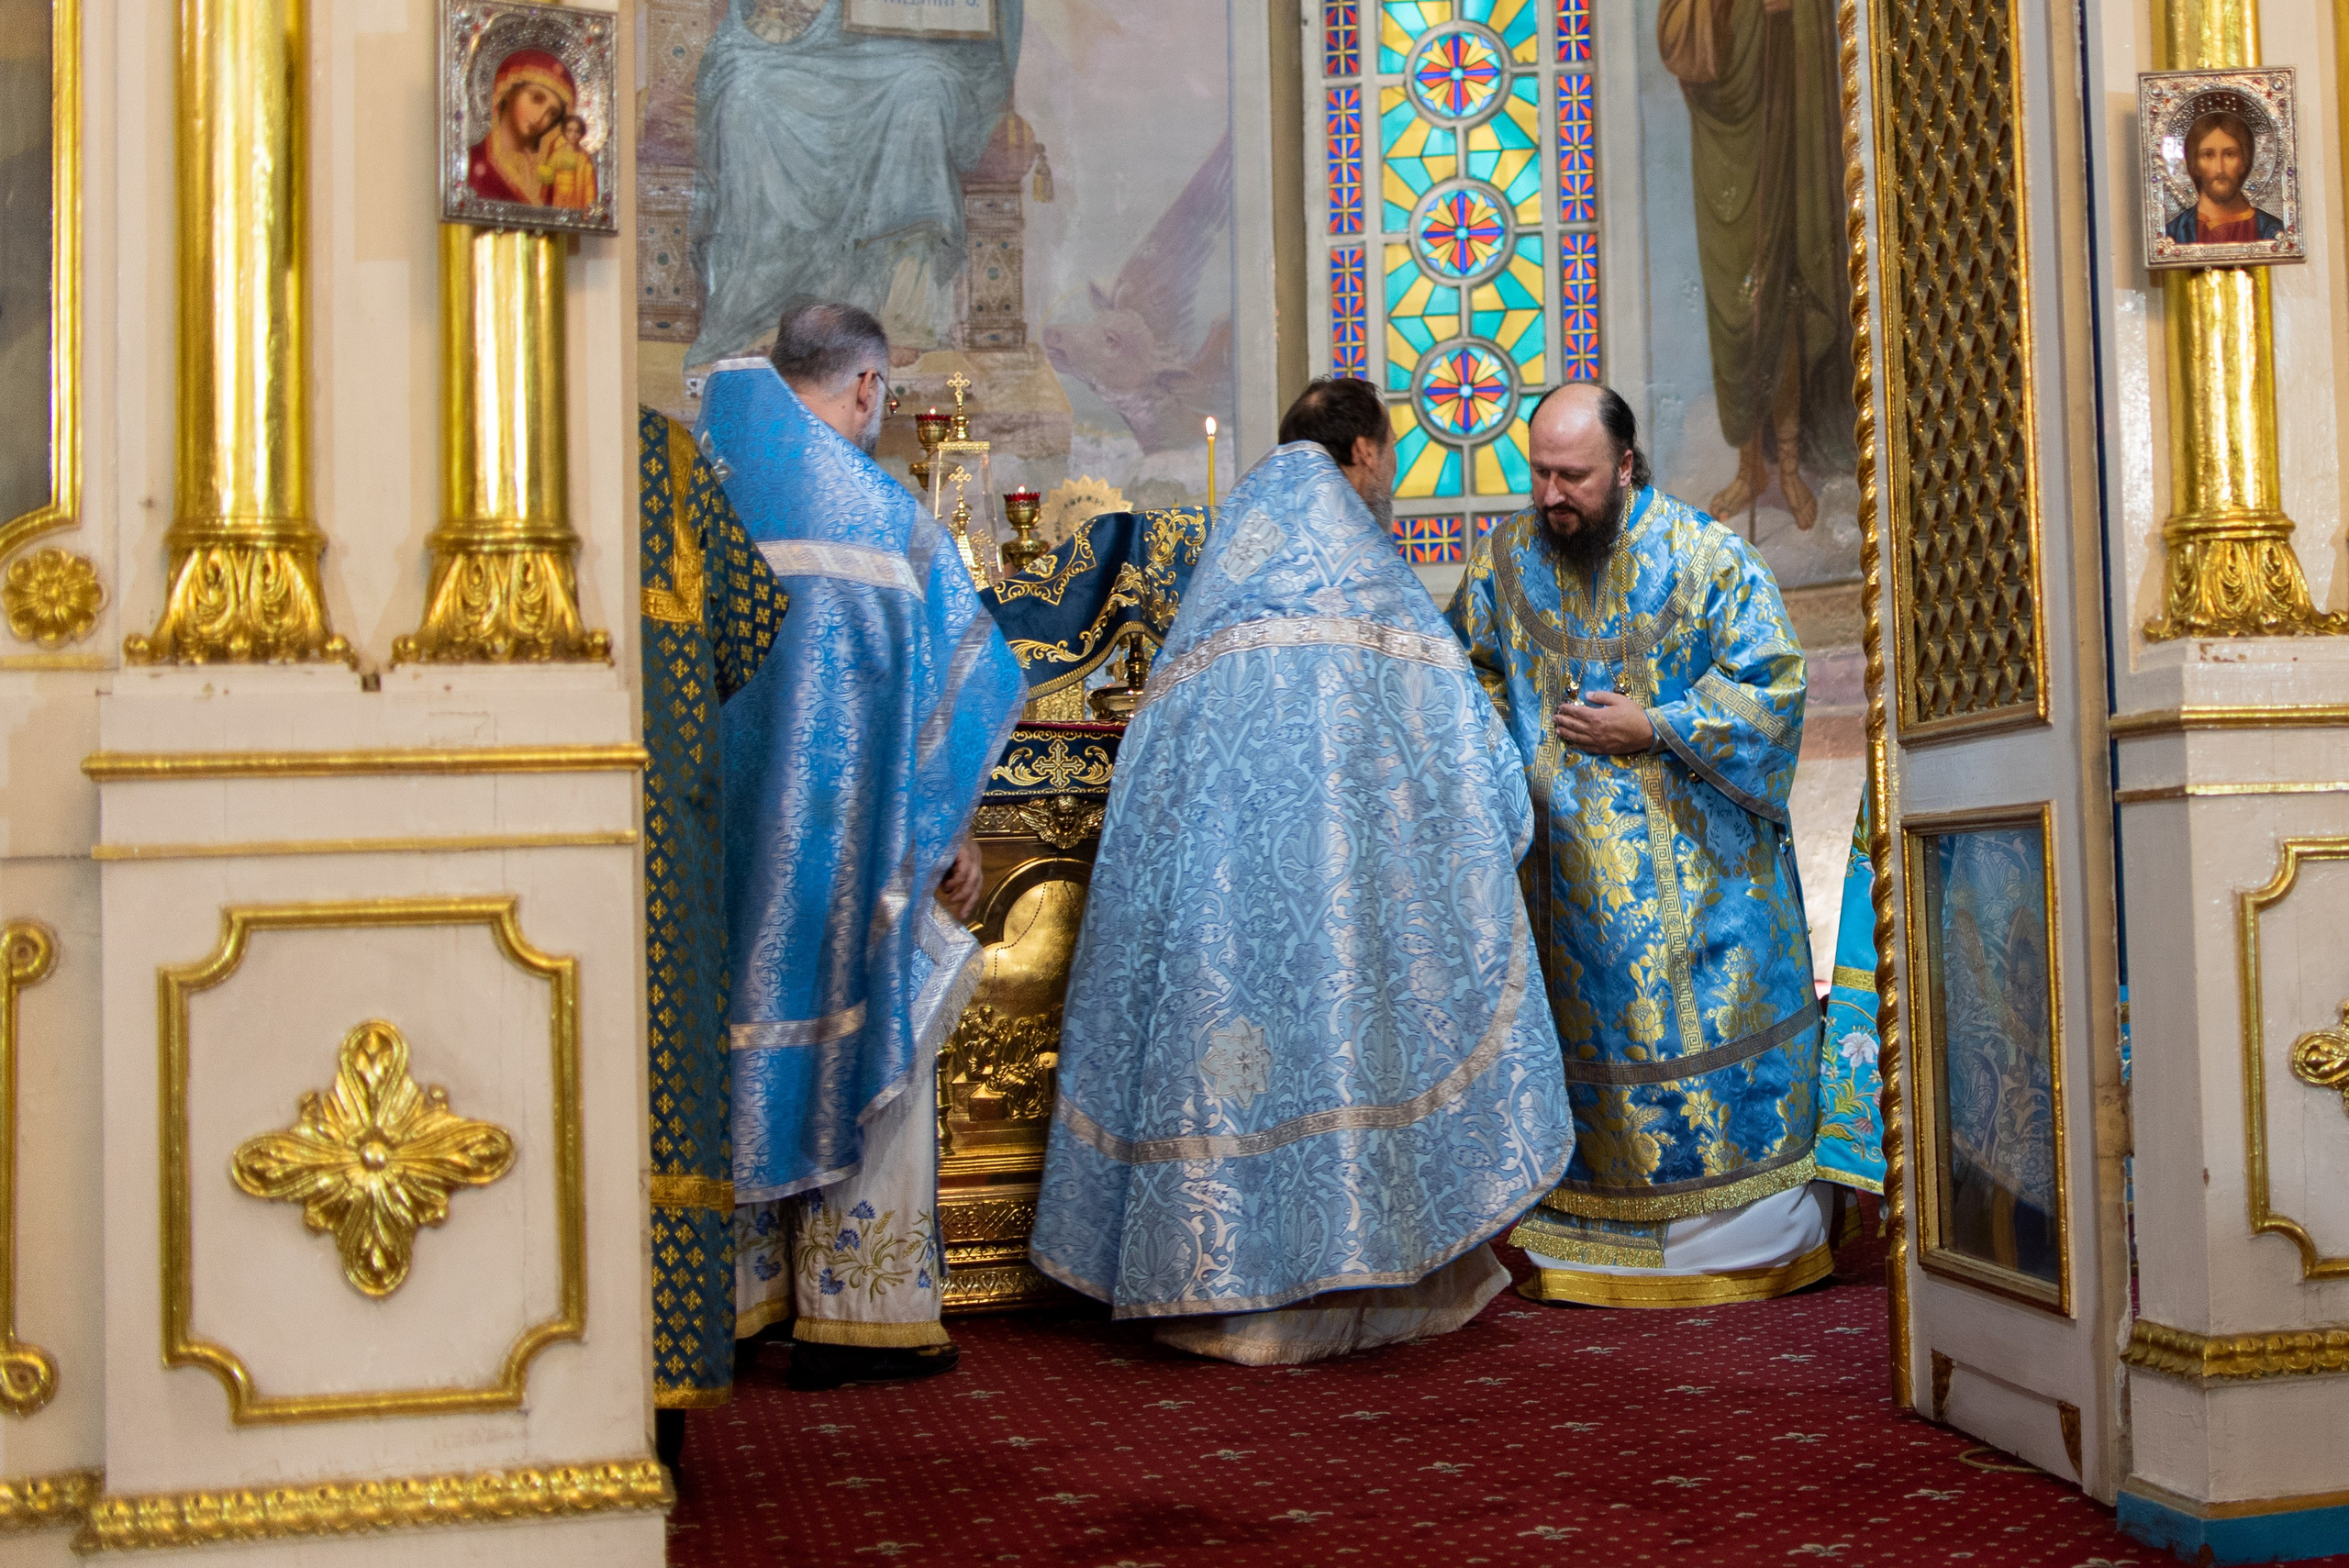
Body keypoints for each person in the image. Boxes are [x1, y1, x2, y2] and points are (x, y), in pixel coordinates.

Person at [1030, 376, 1573, 1364]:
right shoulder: (1377, 594)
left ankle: (1219, 1278)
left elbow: (1144, 791)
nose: (1393, 484)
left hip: (1217, 934)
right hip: (1356, 921)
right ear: (1363, 454)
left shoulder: (1213, 603)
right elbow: (1483, 773)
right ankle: (1366, 1277)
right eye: (1392, 462)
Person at [1447, 382, 1829, 1309]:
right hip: (1567, 890)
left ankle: (1729, 1239)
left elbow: (1772, 686)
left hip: (1702, 889)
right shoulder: (1501, 562)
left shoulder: (1707, 557)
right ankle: (1589, 1239)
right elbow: (1467, 681)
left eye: (1571, 475)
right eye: (1537, 472)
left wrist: (1655, 724)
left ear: (1623, 466)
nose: (1549, 495)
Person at [699, 302, 1025, 1389]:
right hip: (846, 854)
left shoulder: (693, 486)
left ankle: (734, 1296)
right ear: (868, 391)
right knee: (870, 1021)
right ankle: (857, 1301)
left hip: (708, 854)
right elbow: (971, 680)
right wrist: (942, 828)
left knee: (720, 1040)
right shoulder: (885, 519)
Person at [639, 406, 786, 1458]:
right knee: (660, 1084)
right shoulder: (662, 455)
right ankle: (655, 1409)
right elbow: (747, 629)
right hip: (653, 832)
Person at [688, 0, 1020, 364]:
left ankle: (901, 321)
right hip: (802, 46)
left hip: (911, 49)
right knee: (746, 90)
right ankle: (766, 316)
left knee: (924, 88)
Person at [1657, 0, 1854, 530]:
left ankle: (1785, 464)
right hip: (1725, 130)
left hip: (1785, 109)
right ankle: (1750, 467)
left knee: (1782, 292)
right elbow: (1676, 34)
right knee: (1736, 306)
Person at [466, 49, 575, 206]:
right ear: (509, 90)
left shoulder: (548, 178)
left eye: (552, 113)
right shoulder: (473, 161)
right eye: (536, 98)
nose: (541, 117)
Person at [2165, 109, 2284, 244]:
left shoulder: (2272, 231)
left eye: (2230, 154)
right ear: (2194, 164)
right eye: (2208, 155)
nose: (2219, 168)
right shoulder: (2173, 234)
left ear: (2244, 162)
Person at [539, 114, 598, 211]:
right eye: (569, 131)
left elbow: (589, 185)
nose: (573, 135)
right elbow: (546, 180)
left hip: (576, 199)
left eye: (577, 131)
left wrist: (589, 205)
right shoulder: (557, 154)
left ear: (581, 134)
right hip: (558, 199)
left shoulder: (584, 157)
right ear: (564, 132)